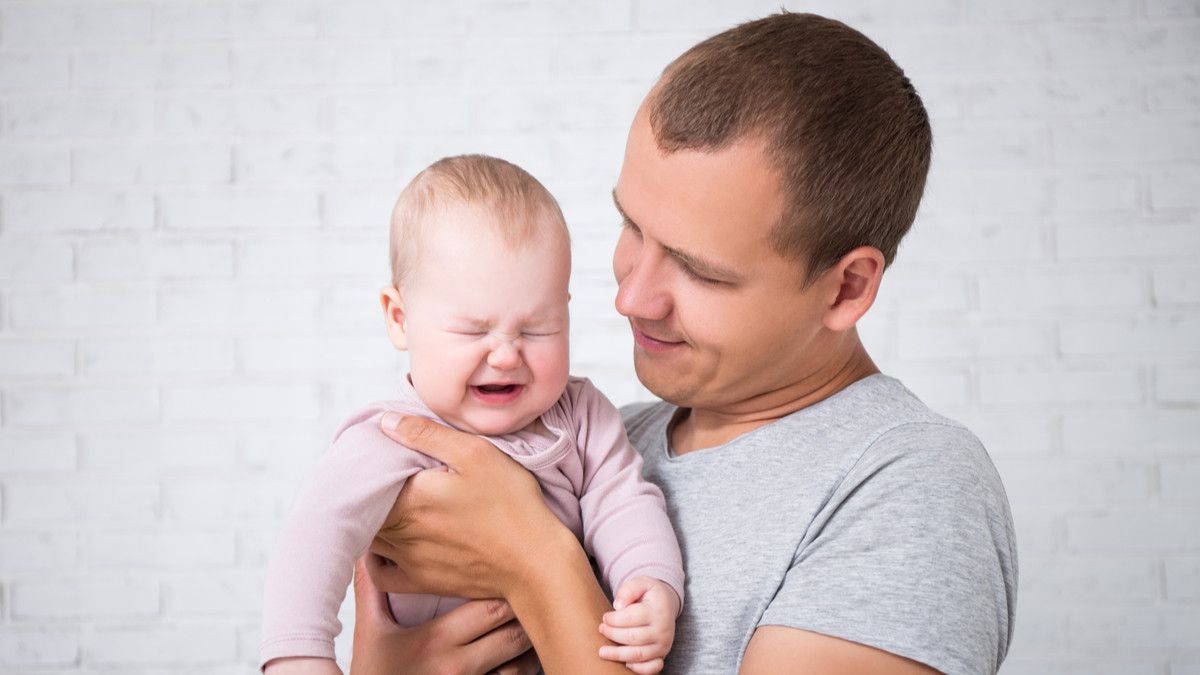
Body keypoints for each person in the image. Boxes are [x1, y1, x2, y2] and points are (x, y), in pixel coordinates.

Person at [350, 12, 1017, 675]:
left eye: (699, 270)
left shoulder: (911, 486)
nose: (631, 298)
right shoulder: (601, 445)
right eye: (632, 227)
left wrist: (535, 559)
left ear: (846, 288)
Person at [259, 155, 685, 675]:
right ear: (400, 319)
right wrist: (298, 656)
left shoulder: (581, 416)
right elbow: (317, 534)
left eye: (537, 329)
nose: (506, 355)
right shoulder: (386, 437)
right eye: (471, 332)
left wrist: (651, 582)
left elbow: (624, 502)